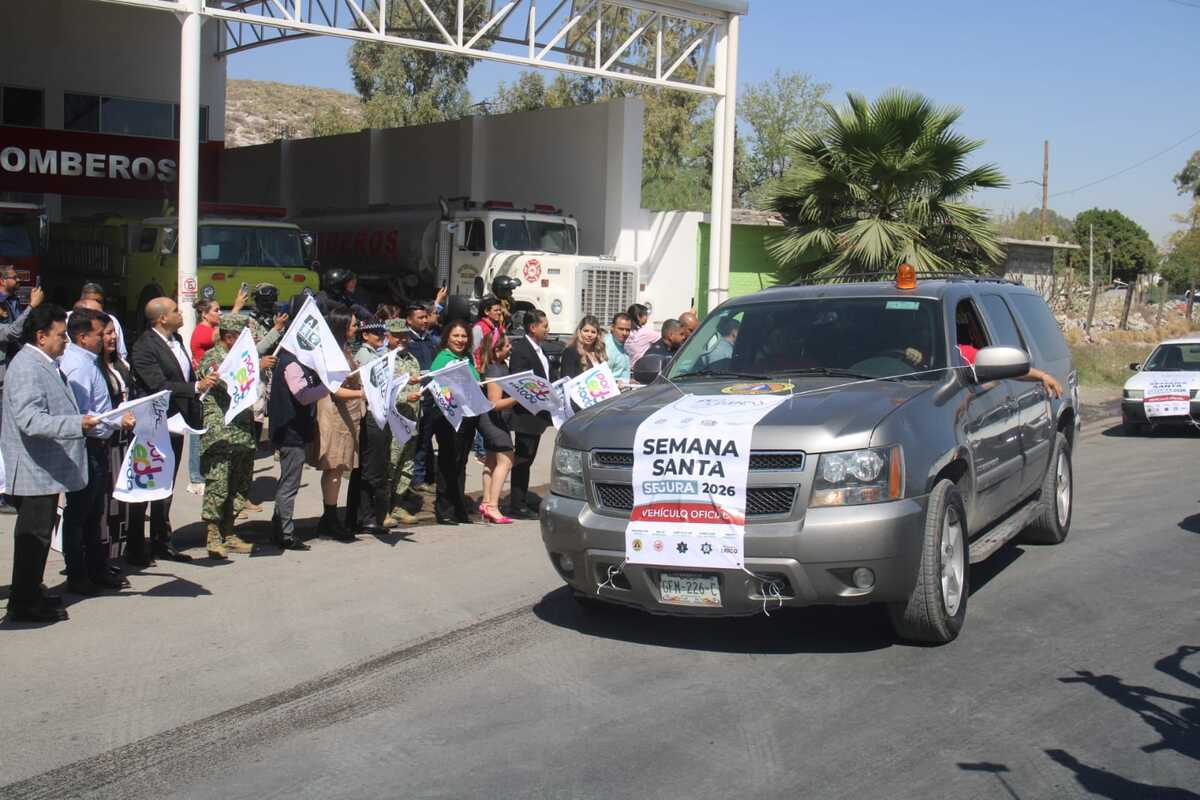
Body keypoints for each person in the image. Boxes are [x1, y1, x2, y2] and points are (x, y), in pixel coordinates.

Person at [2, 304, 100, 624]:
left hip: (43, 468)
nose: (66, 342)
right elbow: (31, 420)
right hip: (32, 469)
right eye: (61, 336)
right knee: (33, 538)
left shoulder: (45, 362)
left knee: (39, 537)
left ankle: (31, 592)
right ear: (41, 336)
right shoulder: (27, 366)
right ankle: (24, 603)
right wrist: (76, 424)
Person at [128, 297, 219, 565]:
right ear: (161, 318)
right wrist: (195, 388)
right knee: (147, 485)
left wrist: (200, 384)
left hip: (177, 423)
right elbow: (158, 384)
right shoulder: (144, 347)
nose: (181, 313)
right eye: (175, 311)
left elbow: (184, 375)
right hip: (155, 425)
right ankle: (135, 546)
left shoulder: (176, 339)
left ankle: (161, 541)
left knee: (166, 485)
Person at [60, 308, 135, 595]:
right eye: (98, 334)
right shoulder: (78, 367)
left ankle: (96, 568)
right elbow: (82, 415)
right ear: (82, 337)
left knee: (95, 513)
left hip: (99, 445)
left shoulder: (90, 362)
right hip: (87, 447)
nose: (105, 339)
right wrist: (116, 420)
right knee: (80, 514)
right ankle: (78, 575)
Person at [197, 314, 265, 559]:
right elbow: (227, 382)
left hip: (242, 433)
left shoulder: (241, 358)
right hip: (221, 434)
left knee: (239, 484)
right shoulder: (213, 358)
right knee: (219, 485)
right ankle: (213, 536)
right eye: (243, 337)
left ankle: (230, 531)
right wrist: (256, 366)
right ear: (229, 337)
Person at [267, 333, 331, 552]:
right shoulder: (291, 363)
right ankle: (285, 533)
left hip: (295, 431)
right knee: (289, 484)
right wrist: (329, 388)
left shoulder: (295, 361)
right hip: (290, 433)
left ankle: (279, 526)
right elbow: (303, 395)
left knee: (288, 481)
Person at [307, 305, 365, 541]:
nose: (357, 327)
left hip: (347, 415)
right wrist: (362, 394)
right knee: (334, 466)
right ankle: (329, 518)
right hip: (335, 414)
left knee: (339, 468)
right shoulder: (331, 353)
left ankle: (330, 517)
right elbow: (335, 390)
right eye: (353, 324)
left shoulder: (344, 349)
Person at [429, 319, 481, 525]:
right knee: (447, 463)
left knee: (461, 463)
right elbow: (435, 386)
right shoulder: (443, 358)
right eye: (456, 336)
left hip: (468, 417)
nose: (460, 340)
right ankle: (444, 509)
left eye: (463, 336)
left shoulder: (468, 357)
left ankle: (459, 506)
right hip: (447, 418)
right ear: (447, 337)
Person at [0, 267, 43, 515]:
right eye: (14, 277)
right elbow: (10, 333)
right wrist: (31, 308)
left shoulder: (14, 301)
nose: (18, 281)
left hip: (15, 374)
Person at [346, 318, 393, 536]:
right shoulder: (365, 355)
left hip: (379, 412)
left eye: (382, 333)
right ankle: (366, 517)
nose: (380, 336)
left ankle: (366, 516)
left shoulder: (376, 353)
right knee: (370, 468)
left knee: (374, 466)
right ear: (365, 335)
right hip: (370, 413)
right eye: (376, 333)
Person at [382, 318, 431, 526]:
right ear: (388, 337)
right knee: (391, 466)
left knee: (406, 465)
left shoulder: (411, 359)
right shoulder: (384, 360)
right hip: (394, 422)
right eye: (397, 336)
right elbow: (382, 392)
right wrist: (403, 398)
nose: (402, 339)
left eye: (405, 335)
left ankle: (398, 504)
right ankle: (383, 508)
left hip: (412, 419)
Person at [505, 309, 552, 520]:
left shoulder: (540, 349)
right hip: (525, 415)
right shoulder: (521, 349)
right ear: (533, 328)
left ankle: (522, 499)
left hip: (538, 415)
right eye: (545, 326)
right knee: (522, 460)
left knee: (528, 459)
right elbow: (520, 380)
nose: (547, 329)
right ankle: (517, 504)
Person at [98, 316, 138, 565]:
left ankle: (118, 554)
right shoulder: (92, 368)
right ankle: (101, 557)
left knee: (123, 498)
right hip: (106, 440)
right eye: (105, 333)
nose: (111, 338)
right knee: (104, 503)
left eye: (114, 332)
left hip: (127, 441)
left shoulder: (121, 363)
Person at [476, 334, 516, 524]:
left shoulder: (501, 366)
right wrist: (519, 397)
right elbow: (494, 403)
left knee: (492, 460)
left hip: (496, 421)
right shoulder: (494, 369)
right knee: (506, 459)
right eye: (507, 345)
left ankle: (485, 502)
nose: (510, 348)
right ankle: (493, 505)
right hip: (491, 421)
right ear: (496, 349)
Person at [185, 297, 222, 494]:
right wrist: (237, 308)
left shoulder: (209, 330)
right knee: (198, 433)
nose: (219, 313)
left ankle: (203, 473)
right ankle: (196, 477)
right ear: (204, 314)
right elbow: (220, 337)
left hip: (210, 386)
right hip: (202, 389)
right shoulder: (203, 332)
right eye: (216, 310)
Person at [404, 301, 438, 496]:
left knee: (425, 440)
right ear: (409, 320)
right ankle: (406, 479)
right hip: (412, 397)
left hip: (429, 397)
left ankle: (419, 478)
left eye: (426, 317)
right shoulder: (407, 341)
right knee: (411, 440)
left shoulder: (430, 340)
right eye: (421, 317)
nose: (425, 321)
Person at [78, 282, 129, 360]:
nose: (95, 304)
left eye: (98, 301)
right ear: (82, 300)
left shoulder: (111, 320)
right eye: (91, 300)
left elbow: (121, 353)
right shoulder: (68, 319)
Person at [559, 315, 608, 379]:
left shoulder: (598, 352)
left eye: (593, 332)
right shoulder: (571, 352)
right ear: (579, 332)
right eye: (586, 331)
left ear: (597, 335)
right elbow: (567, 379)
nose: (589, 335)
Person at [472, 295, 505, 368]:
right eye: (496, 310)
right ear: (487, 311)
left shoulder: (498, 327)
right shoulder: (478, 328)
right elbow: (473, 351)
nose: (499, 313)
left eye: (500, 310)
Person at [605, 312, 633, 384]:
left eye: (628, 330)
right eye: (621, 329)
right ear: (612, 327)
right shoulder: (607, 347)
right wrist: (624, 382)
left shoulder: (621, 345)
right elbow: (602, 377)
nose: (624, 333)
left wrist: (628, 381)